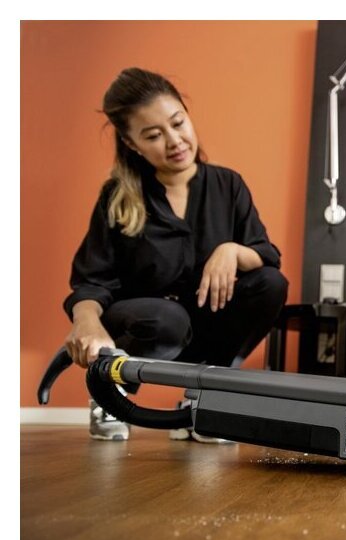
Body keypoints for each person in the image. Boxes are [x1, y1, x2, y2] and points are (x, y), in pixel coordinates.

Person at [63, 68, 288, 441]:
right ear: (132, 143)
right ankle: (111, 395)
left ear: (187, 114)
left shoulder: (228, 185)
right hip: (148, 326)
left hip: (206, 330)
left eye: (178, 123)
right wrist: (86, 322)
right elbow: (91, 280)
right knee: (168, 318)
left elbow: (266, 256)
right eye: (153, 135)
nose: (174, 141)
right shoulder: (117, 196)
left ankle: (205, 394)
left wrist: (232, 250)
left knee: (270, 283)